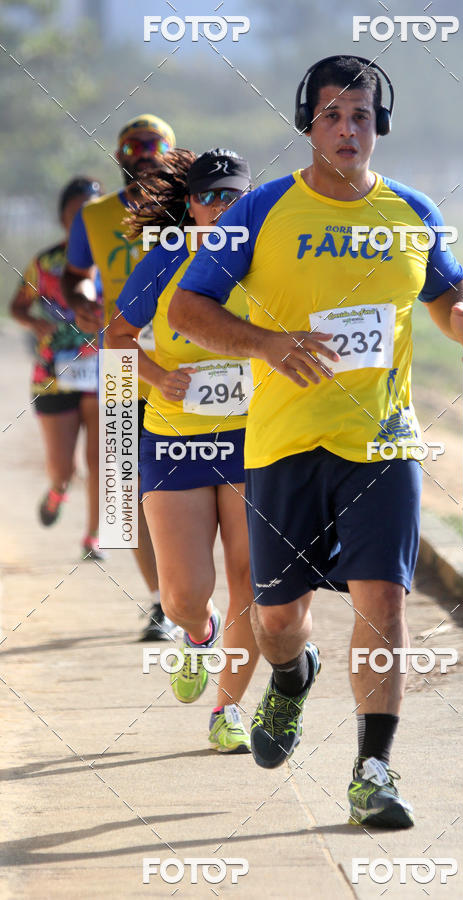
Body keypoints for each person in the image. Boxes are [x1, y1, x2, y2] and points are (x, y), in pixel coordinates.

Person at [168, 56, 463, 827]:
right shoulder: (263, 213)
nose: (348, 129)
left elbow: (449, 290)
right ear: (307, 123)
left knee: (384, 604)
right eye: (331, 115)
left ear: (379, 124)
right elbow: (187, 309)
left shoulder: (412, 211)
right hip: (285, 444)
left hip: (382, 444)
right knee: (279, 618)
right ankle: (289, 678)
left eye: (361, 115)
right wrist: (267, 343)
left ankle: (372, 770)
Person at [106, 148, 259, 752]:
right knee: (184, 595)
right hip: (175, 439)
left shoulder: (266, 262)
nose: (221, 208)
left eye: (232, 197)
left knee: (252, 580)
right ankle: (199, 636)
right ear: (189, 206)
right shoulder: (165, 260)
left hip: (255, 439)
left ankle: (228, 709)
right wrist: (156, 377)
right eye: (209, 197)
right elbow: (116, 339)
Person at [61, 114, 178, 641]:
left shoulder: (188, 209)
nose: (144, 158)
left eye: (155, 150)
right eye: (135, 150)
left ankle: (206, 596)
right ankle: (160, 602)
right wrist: (84, 303)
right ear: (120, 158)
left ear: (172, 158)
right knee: (126, 491)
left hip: (191, 367)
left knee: (212, 488)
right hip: (122, 367)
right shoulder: (96, 216)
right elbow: (75, 277)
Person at [10, 176, 105, 560]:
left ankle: (94, 536)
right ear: (63, 216)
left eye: (92, 211)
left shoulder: (114, 259)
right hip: (54, 375)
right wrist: (34, 323)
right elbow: (17, 305)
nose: (84, 217)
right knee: (63, 469)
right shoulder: (45, 263)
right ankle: (57, 491)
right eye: (76, 211)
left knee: (102, 460)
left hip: (106, 371)